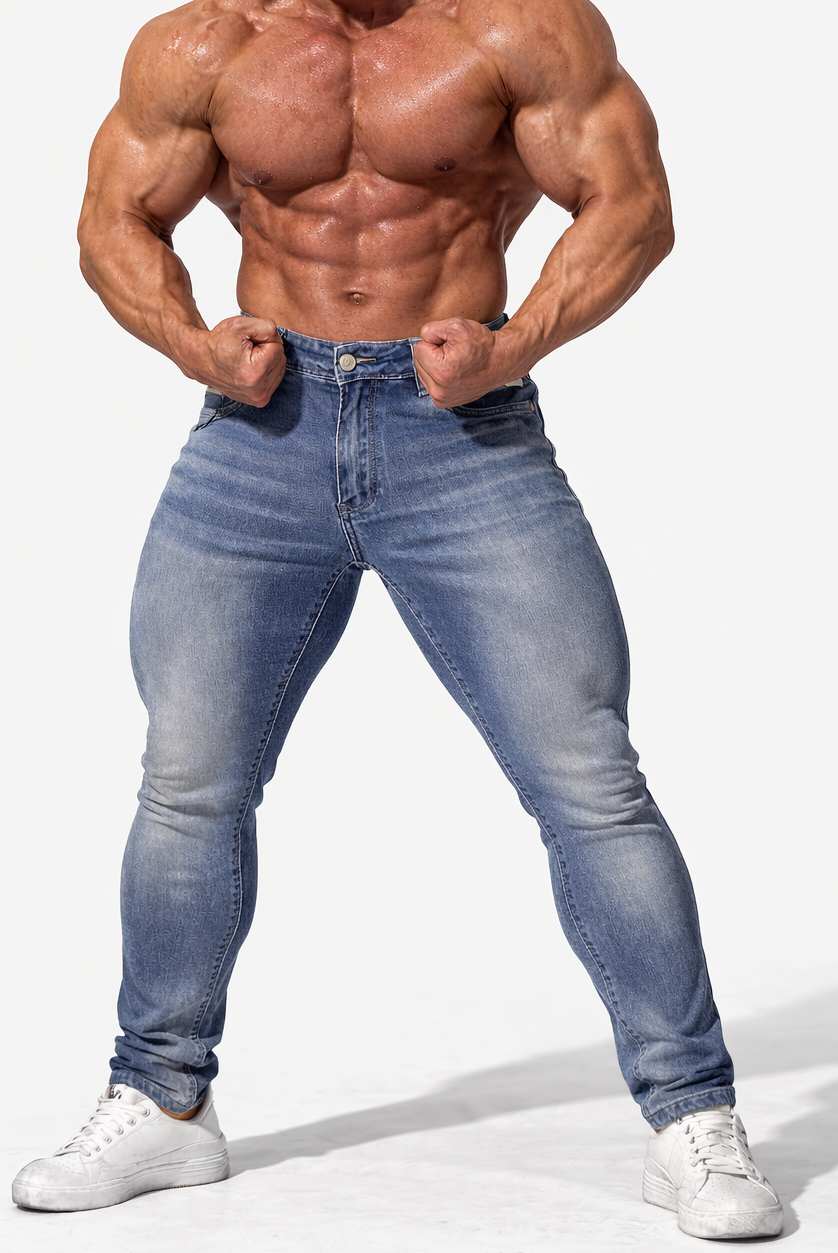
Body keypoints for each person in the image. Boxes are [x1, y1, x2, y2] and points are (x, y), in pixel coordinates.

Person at [12, 0, 782, 1239]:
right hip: (258, 433)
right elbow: (114, 217)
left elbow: (632, 205)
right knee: (188, 782)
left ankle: (691, 1115)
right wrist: (192, 346)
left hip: (463, 432)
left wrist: (514, 346)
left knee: (589, 780)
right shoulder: (204, 43)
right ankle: (162, 1099)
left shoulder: (518, 28)